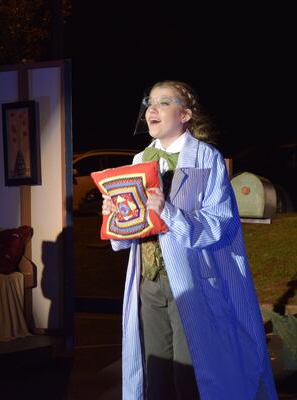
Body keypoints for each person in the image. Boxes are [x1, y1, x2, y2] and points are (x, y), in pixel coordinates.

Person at [102, 81, 277, 399]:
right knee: (156, 376)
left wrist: (169, 213)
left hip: (191, 283)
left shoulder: (206, 158)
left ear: (185, 115)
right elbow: (136, 225)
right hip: (149, 284)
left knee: (189, 375)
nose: (152, 109)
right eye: (149, 102)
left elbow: (220, 224)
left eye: (164, 102)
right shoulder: (141, 159)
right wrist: (116, 215)